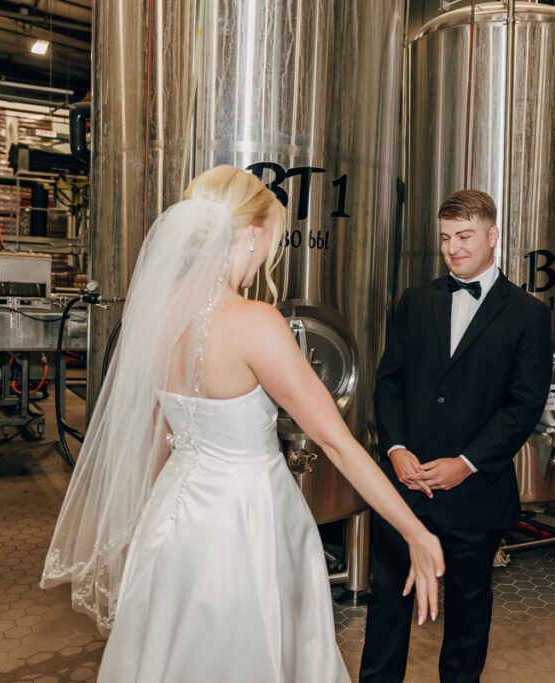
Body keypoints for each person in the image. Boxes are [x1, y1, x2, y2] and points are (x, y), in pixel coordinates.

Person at [41, 165, 444, 682]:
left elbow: (160, 430)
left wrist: (142, 524)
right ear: (252, 231)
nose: (268, 254)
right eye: (271, 236)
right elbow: (335, 442)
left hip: (174, 517)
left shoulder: (158, 312)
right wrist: (414, 530)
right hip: (248, 519)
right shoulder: (256, 323)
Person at [359, 189, 553, 683]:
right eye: (445, 238)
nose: (453, 248)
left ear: (492, 236)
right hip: (406, 485)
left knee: (469, 610)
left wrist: (466, 463)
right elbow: (389, 382)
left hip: (475, 491)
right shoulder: (415, 300)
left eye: (464, 236)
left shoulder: (528, 315)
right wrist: (397, 449)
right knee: (388, 601)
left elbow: (524, 405)